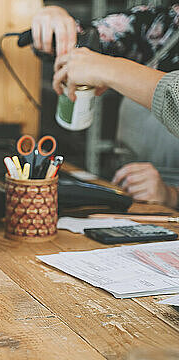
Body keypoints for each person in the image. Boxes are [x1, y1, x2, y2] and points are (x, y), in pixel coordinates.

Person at [31, 5, 179, 208]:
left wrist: (172, 195)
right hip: (131, 195)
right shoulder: (163, 25)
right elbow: (86, 43)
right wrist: (55, 23)